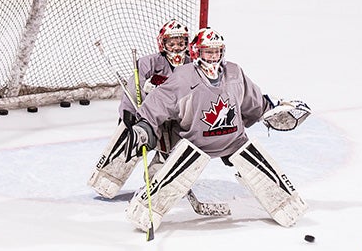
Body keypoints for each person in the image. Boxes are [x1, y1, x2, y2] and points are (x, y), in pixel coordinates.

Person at [122, 27, 312, 232]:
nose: (213, 57)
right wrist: (145, 125)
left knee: (262, 169)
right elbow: (160, 100)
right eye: (207, 52)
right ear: (197, 52)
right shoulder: (184, 76)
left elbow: (252, 101)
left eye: (217, 51)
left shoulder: (234, 72)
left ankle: (286, 204)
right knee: (170, 177)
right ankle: (143, 209)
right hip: (196, 143)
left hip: (234, 141)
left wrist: (271, 109)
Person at [88, 19, 190, 200]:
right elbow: (134, 85)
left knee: (172, 151)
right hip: (151, 116)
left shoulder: (192, 65)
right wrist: (128, 111)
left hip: (177, 119)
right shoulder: (149, 62)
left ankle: (157, 181)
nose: (176, 48)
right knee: (132, 139)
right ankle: (109, 177)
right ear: (162, 43)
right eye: (171, 43)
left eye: (180, 43)